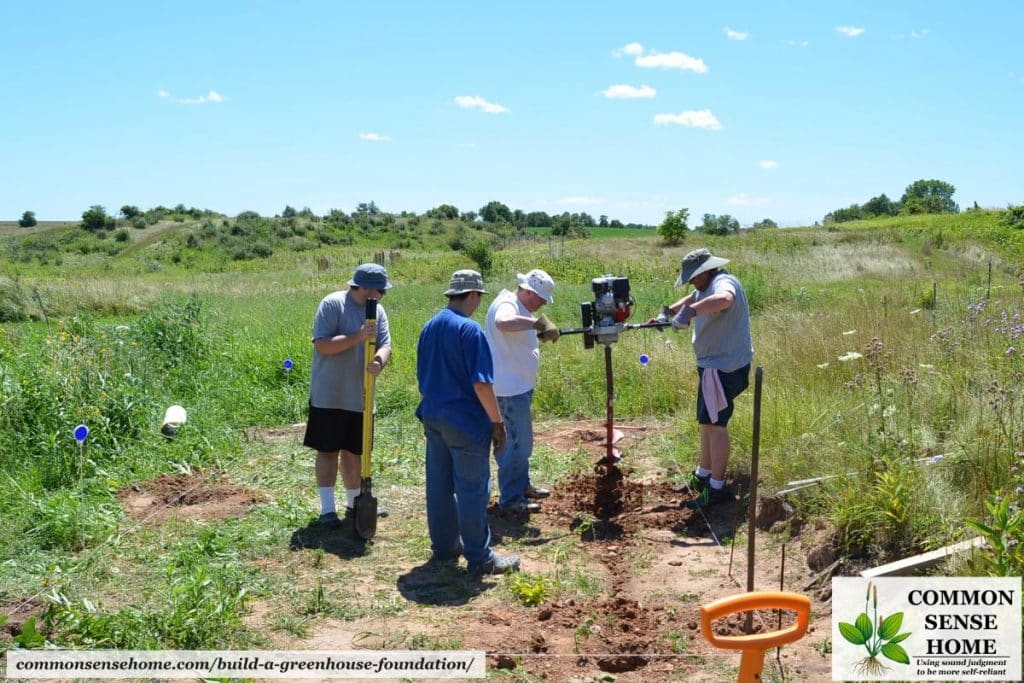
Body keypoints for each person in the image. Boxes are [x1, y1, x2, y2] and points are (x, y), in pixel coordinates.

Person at [416, 269, 521, 575]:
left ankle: (445, 547)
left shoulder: (429, 326)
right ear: (473, 295)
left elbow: (422, 375)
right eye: (479, 298)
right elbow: (482, 385)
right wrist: (497, 423)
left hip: (434, 416)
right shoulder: (471, 331)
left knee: (439, 486)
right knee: (472, 488)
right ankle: (480, 557)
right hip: (464, 421)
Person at [661, 248, 753, 507]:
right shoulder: (704, 287)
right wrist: (667, 312)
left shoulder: (724, 282)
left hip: (723, 366)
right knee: (706, 421)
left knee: (716, 424)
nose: (691, 281)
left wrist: (689, 314)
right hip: (712, 364)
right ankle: (703, 474)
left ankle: (717, 487)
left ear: (705, 271)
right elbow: (690, 299)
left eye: (693, 276)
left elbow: (724, 299)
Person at [303, 263, 392, 527]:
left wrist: (379, 360)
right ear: (362, 287)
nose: (382, 296)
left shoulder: (379, 311)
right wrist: (359, 336)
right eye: (379, 291)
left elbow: (386, 344)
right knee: (328, 451)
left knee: (355, 452)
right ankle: (327, 510)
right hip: (329, 395)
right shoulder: (332, 305)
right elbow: (323, 346)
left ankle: (355, 505)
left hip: (361, 396)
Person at [483, 269, 559, 513]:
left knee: (521, 442)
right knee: (512, 444)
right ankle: (511, 498)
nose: (543, 304)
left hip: (518, 387)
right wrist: (536, 323)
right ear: (529, 292)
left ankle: (522, 485)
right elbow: (502, 323)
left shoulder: (519, 305)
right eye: (541, 299)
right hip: (508, 390)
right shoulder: (507, 303)